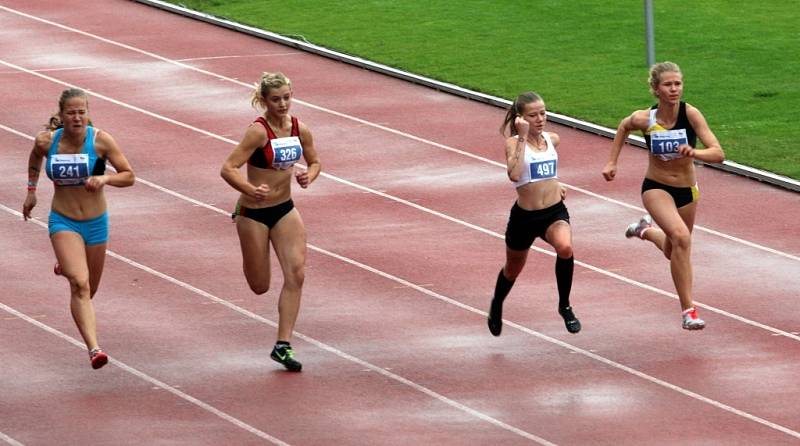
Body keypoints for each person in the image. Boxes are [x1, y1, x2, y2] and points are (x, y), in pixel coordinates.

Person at [602, 61, 725, 330]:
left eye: (677, 84)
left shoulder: (690, 114)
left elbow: (718, 153)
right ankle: (688, 311)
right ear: (656, 89)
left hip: (687, 191)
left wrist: (695, 153)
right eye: (668, 85)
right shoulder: (645, 119)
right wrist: (612, 162)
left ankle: (644, 230)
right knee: (682, 238)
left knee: (674, 250)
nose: (674, 89)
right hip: (656, 187)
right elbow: (623, 127)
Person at [22, 88, 135, 369]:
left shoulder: (100, 142)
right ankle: (94, 349)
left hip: (96, 224)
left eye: (82, 112)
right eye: (71, 113)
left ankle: (67, 265)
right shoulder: (48, 141)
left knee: (90, 289)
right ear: (61, 115)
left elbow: (129, 175)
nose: (77, 118)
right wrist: (31, 191)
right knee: (80, 285)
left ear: (88, 114)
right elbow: (35, 157)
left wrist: (105, 180)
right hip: (63, 220)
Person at [220, 72, 321, 372]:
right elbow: (228, 168)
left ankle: (282, 345)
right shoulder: (258, 133)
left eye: (287, 97)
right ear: (264, 101)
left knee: (297, 274)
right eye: (276, 99)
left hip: (285, 209)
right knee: (259, 285)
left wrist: (308, 176)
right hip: (253, 214)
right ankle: (248, 244)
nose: (283, 104)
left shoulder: (299, 128)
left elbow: (315, 161)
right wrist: (250, 190)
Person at [488, 92, 581, 337]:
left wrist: (557, 182)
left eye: (543, 113)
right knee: (512, 269)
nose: (540, 118)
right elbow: (515, 174)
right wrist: (521, 137)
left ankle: (564, 305)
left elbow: (546, 171)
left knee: (565, 248)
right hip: (525, 218)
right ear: (521, 118)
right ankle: (497, 305)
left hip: (553, 212)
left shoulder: (552, 139)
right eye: (533, 115)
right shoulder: (513, 144)